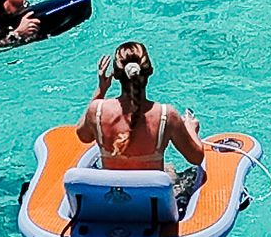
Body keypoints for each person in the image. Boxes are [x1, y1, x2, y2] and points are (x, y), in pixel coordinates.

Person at [77, 41, 205, 173]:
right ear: (150, 71)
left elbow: (83, 136)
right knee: (172, 170)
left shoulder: (97, 110)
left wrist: (101, 90)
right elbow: (196, 158)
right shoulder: (166, 115)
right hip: (151, 193)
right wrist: (191, 129)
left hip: (112, 191)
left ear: (115, 74)